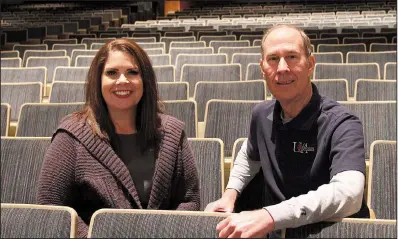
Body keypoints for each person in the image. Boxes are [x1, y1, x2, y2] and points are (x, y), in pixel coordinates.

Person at [205, 25, 369, 238]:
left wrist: (270, 216)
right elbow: (250, 154)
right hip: (278, 229)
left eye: (292, 56)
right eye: (273, 58)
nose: (282, 67)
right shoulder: (261, 114)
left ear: (310, 64)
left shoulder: (343, 123)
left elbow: (350, 194)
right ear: (262, 67)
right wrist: (230, 194)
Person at [37, 38, 200, 238]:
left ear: (145, 80)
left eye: (132, 72)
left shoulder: (173, 133)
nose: (122, 80)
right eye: (112, 73)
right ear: (99, 81)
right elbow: (51, 205)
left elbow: (189, 200)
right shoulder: (71, 137)